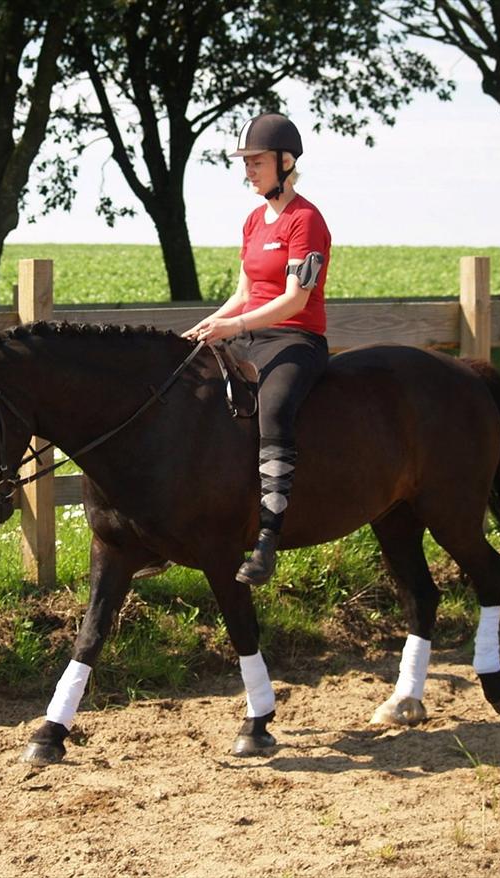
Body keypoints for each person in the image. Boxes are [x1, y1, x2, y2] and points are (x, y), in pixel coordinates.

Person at [183, 112, 331, 586]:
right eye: (245, 162)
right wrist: (208, 324)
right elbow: (245, 290)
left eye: (257, 161)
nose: (248, 169)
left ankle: (268, 537)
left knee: (274, 408)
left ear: (286, 162)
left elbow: (294, 299)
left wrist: (235, 325)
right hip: (248, 331)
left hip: (294, 339)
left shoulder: (305, 221)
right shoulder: (252, 221)